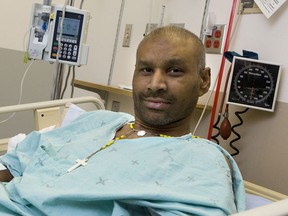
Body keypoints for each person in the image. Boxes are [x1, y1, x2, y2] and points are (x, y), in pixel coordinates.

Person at [0, 26, 246, 215]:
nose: (155, 84)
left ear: (204, 81)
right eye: (146, 70)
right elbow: (17, 161)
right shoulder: (98, 120)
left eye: (174, 71)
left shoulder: (203, 160)